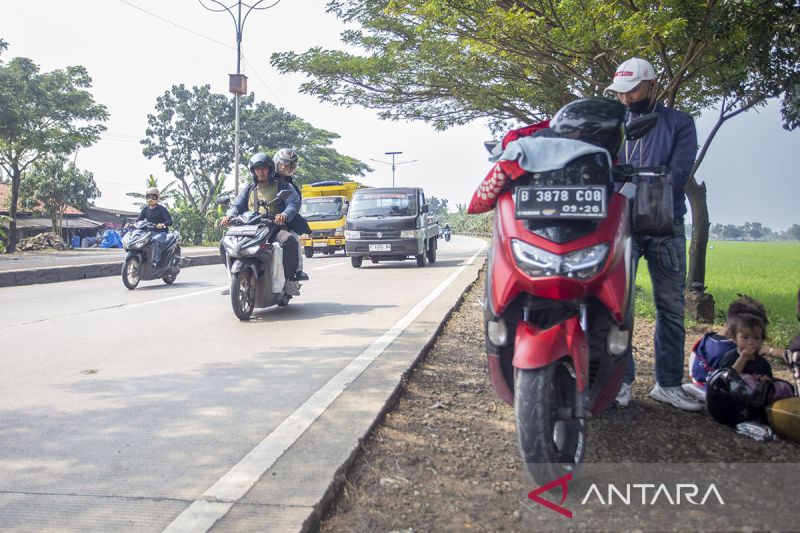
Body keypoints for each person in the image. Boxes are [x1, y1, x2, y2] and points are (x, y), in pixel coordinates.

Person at [606, 57, 702, 411]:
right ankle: (620, 381)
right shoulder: (611, 123)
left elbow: (677, 176)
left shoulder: (680, 123)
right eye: (621, 93)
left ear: (652, 85)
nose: (627, 99)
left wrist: (630, 180)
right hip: (621, 226)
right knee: (619, 308)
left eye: (633, 91)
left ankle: (668, 383)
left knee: (671, 309)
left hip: (666, 226)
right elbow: (604, 170)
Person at [220, 152, 308, 282]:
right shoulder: (250, 188)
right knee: (224, 243)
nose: (260, 172)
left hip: (273, 227)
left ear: (270, 169)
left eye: (263, 168)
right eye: (257, 169)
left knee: (289, 241)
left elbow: (293, 203)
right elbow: (237, 204)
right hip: (250, 227)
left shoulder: (283, 186)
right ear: (253, 171)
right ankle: (235, 277)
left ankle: (287, 279)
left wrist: (284, 215)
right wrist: (229, 216)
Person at [273, 148, 310, 279]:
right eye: (283, 164)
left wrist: (285, 214)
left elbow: (295, 204)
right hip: (263, 220)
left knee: (293, 238)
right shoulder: (265, 181)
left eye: (290, 165)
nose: (286, 168)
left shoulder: (291, 186)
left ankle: (297, 270)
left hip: (285, 221)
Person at [135, 187, 173, 268]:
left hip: (161, 232)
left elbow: (170, 222)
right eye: (148, 196)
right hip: (149, 232)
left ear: (157, 197)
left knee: (155, 240)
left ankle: (156, 262)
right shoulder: (145, 209)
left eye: (153, 196)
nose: (150, 199)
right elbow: (139, 219)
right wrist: (131, 223)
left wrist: (162, 224)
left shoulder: (162, 209)